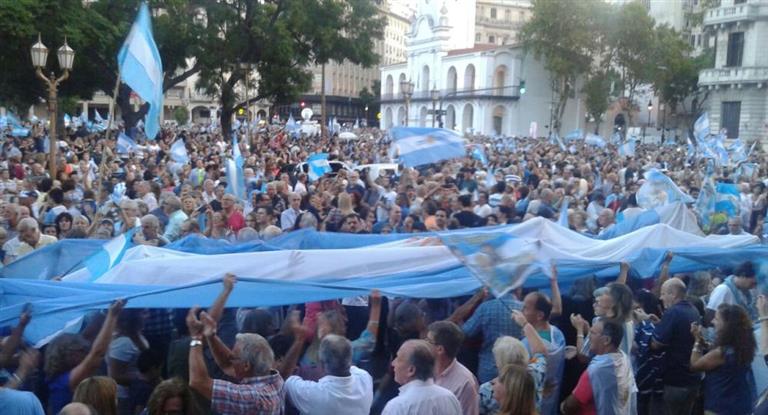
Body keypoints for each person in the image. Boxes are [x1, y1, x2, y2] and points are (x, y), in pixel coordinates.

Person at [186, 308, 284, 414]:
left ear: (246, 366)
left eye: (234, 358)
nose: (230, 360)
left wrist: (196, 337)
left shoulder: (252, 398)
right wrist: (211, 336)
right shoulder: (275, 380)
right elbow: (228, 365)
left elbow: (198, 382)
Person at [45, 300, 125, 414]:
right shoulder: (64, 381)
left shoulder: (56, 378)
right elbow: (97, 354)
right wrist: (113, 315)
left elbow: (88, 335)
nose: (86, 353)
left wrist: (104, 313)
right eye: (82, 351)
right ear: (70, 355)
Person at [690, 303, 756, 415]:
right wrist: (705, 343)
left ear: (727, 324)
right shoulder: (744, 346)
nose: (712, 322)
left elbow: (695, 365)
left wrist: (697, 341)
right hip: (741, 405)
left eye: (716, 318)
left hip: (719, 407)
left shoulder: (721, 353)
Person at [561, 319, 637, 415]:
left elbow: (571, 405)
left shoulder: (596, 371)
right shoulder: (624, 358)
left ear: (606, 340)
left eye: (592, 333)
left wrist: (563, 406)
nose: (589, 337)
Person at [283, 334, 374, 414]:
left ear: (322, 364)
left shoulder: (314, 394)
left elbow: (284, 378)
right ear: (350, 359)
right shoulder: (365, 378)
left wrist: (299, 341)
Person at [648, 278, 701, 415]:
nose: (660, 297)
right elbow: (680, 334)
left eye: (663, 293)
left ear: (673, 294)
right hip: (692, 380)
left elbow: (656, 344)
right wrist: (661, 323)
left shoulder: (673, 312)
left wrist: (647, 327)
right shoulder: (693, 310)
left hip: (675, 381)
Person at [382, 339, 461, 415]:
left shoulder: (398, 406)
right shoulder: (450, 398)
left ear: (411, 370)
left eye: (398, 359)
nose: (393, 363)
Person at [426, 320, 480, 415]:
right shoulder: (422, 369)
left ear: (440, 349)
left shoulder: (465, 383)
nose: (424, 343)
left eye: (428, 340)